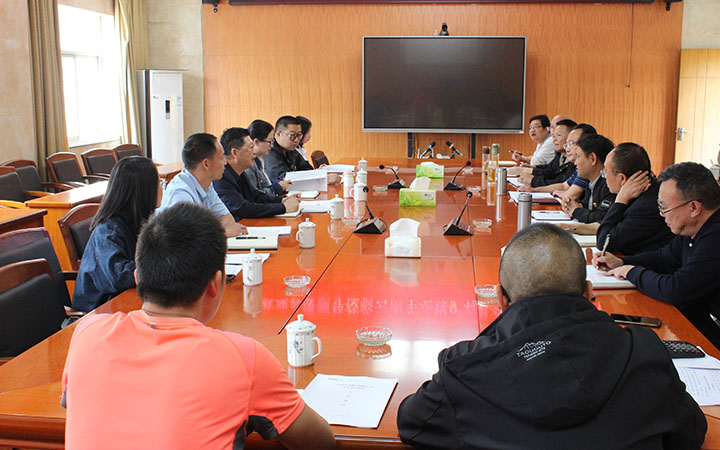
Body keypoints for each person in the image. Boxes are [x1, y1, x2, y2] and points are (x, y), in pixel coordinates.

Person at [397, 224, 706, 449]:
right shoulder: (644, 353)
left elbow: (411, 421)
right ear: (589, 291)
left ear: (501, 299)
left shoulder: (464, 371)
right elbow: (690, 432)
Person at [62, 202, 336, 450]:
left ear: (137, 277)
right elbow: (320, 442)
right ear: (216, 284)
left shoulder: (86, 332)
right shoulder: (244, 358)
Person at [594, 162, 720, 348]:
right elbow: (663, 259)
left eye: (664, 207)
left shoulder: (715, 236)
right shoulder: (692, 229)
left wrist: (631, 272)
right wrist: (621, 262)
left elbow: (676, 289)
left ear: (694, 208)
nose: (662, 215)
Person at [72, 157, 161, 312]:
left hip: (127, 302)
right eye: (159, 183)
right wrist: (160, 266)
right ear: (143, 190)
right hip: (100, 312)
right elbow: (119, 277)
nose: (161, 188)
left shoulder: (139, 220)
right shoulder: (108, 231)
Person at [158, 132, 246, 237]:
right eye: (222, 157)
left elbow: (228, 220)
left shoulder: (207, 185)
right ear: (206, 164)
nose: (225, 162)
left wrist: (220, 232)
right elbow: (186, 238)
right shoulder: (180, 195)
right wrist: (224, 233)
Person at [593, 143, 673, 254]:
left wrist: (620, 201)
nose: (604, 176)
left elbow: (604, 242)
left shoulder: (644, 206)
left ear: (622, 178)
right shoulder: (649, 190)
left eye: (605, 171)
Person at [214, 127, 300, 220]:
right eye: (250, 148)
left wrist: (282, 200)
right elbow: (242, 208)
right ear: (235, 152)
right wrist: (283, 208)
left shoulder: (239, 172)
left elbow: (255, 196)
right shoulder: (221, 177)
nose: (254, 152)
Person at [560, 133, 615, 223]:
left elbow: (601, 218)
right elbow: (589, 206)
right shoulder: (591, 182)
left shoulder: (609, 185)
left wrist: (576, 210)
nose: (575, 163)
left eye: (578, 157)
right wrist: (576, 205)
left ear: (592, 159)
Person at [518, 119, 576, 187]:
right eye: (553, 136)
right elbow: (550, 171)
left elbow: (560, 182)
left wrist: (533, 180)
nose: (554, 140)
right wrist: (534, 168)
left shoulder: (574, 159)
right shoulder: (560, 154)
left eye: (559, 135)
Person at [262, 115, 315, 183]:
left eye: (299, 135)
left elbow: (306, 168)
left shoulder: (290, 149)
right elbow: (283, 180)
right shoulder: (270, 152)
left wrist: (318, 173)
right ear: (278, 134)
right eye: (292, 135)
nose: (296, 140)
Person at [246, 119, 291, 197]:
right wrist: (278, 187)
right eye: (269, 141)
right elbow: (255, 196)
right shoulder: (249, 165)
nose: (272, 145)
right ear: (256, 142)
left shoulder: (260, 160)